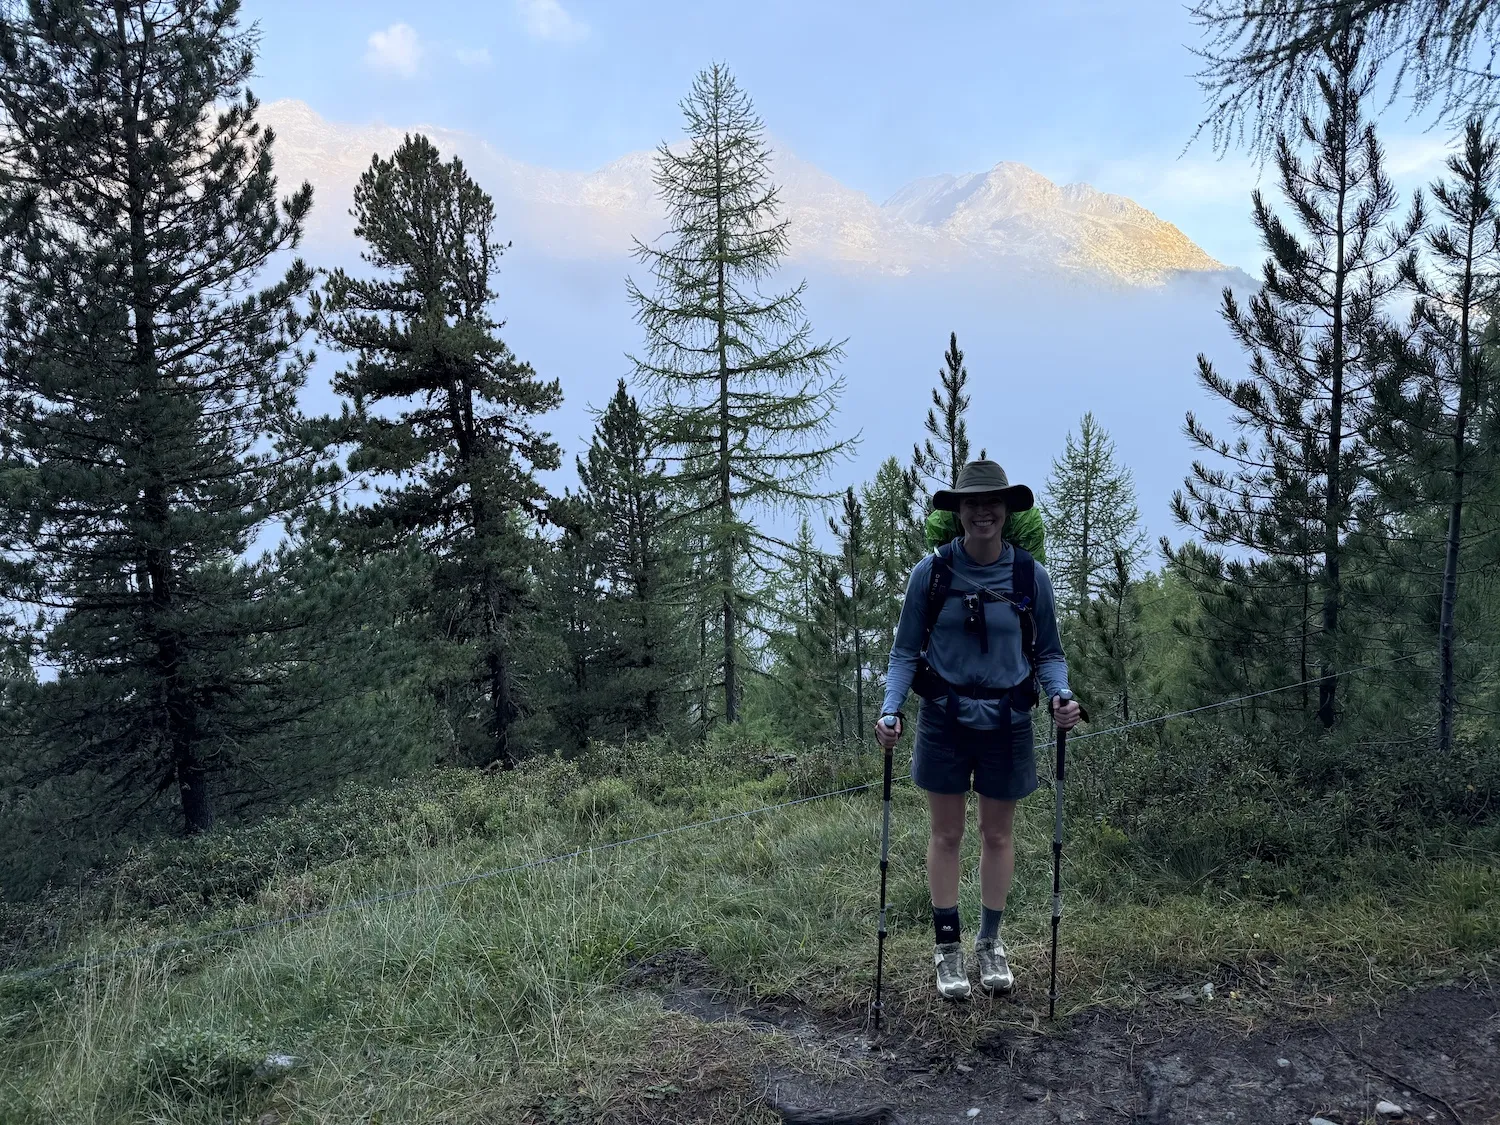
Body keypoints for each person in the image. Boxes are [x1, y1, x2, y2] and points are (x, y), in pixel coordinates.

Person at [874, 459, 1080, 999]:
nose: (983, 511)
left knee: (997, 834)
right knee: (946, 834)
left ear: (1007, 510)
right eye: (972, 503)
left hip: (1008, 721)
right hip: (943, 720)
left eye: (993, 502)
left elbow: (1048, 653)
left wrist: (1061, 695)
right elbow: (903, 653)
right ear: (959, 511)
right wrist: (891, 708)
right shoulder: (932, 573)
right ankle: (948, 950)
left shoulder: (1030, 576)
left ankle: (989, 944)